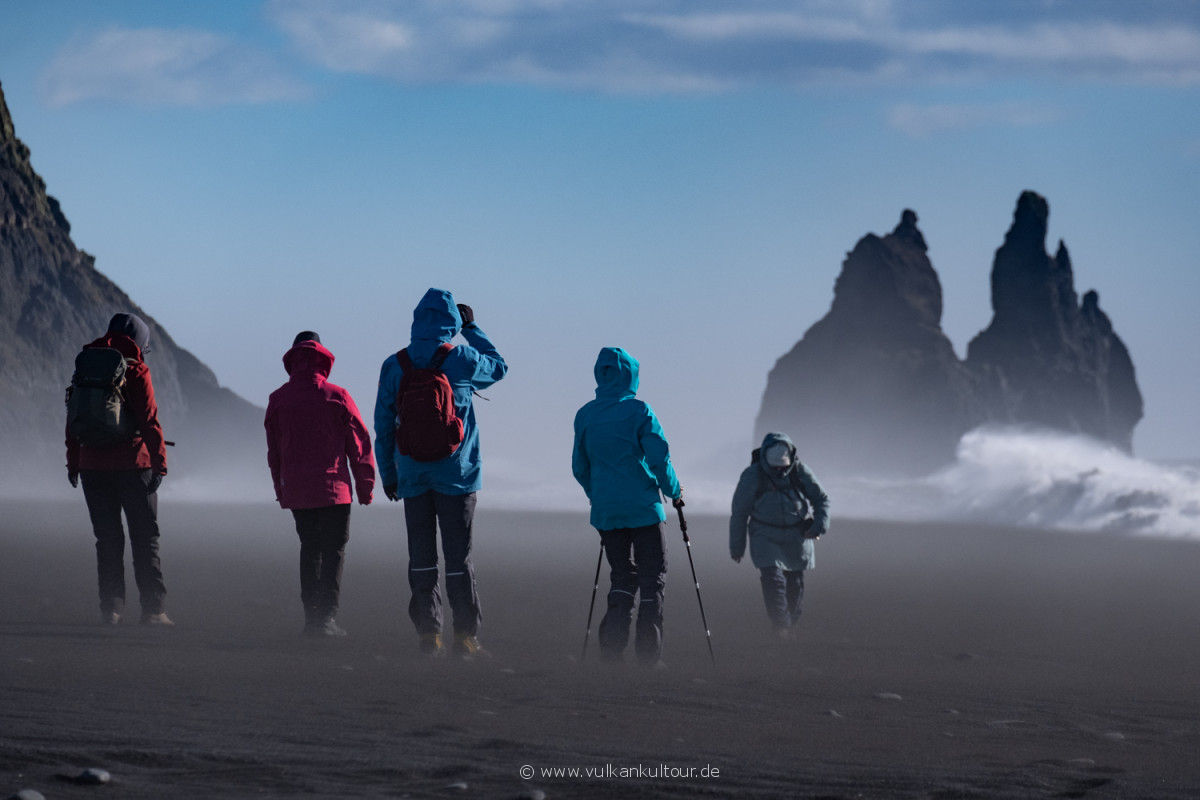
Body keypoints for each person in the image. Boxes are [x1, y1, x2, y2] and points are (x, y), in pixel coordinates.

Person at [374, 288, 507, 659]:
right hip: (458, 476)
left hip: (413, 476)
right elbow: (499, 367)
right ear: (451, 320)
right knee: (458, 559)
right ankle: (465, 638)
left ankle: (428, 636)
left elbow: (383, 425)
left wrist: (388, 474)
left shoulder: (395, 364)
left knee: (422, 558)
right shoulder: (461, 358)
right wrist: (473, 328)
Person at [572, 347, 683, 667]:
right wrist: (674, 492)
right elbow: (660, 459)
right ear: (630, 375)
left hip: (607, 512)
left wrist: (597, 495)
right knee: (653, 579)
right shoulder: (639, 411)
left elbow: (580, 466)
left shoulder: (585, 414)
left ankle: (611, 649)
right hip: (644, 509)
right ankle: (649, 655)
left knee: (621, 576)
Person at [266, 331, 375, 637]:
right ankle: (326, 617)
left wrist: (281, 489)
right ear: (323, 358)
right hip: (333, 489)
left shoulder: (278, 399)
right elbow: (359, 444)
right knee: (334, 550)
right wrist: (365, 486)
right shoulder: (337, 395)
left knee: (310, 548)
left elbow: (274, 452)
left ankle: (311, 617)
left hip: (298, 489)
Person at [65, 313, 171, 626]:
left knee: (108, 540)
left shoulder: (84, 365)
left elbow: (73, 420)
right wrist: (160, 464)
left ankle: (110, 609)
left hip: (92, 467)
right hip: (132, 467)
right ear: (140, 342)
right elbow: (150, 421)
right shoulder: (137, 369)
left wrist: (74, 463)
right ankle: (153, 611)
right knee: (145, 537)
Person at [729, 431, 830, 640]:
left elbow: (821, 499)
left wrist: (819, 525)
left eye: (782, 465)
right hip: (764, 535)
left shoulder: (800, 471)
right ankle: (781, 626)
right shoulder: (752, 475)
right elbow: (739, 512)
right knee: (773, 580)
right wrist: (737, 547)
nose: (778, 469)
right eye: (774, 465)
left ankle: (791, 623)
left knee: (795, 583)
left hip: (796, 536)